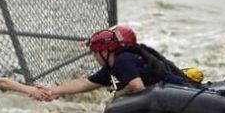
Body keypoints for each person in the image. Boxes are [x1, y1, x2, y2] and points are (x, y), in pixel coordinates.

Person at [46, 24, 201, 99]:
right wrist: (52, 91)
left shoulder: (123, 60)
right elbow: (83, 84)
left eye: (95, 53)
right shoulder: (112, 67)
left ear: (104, 52)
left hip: (179, 92)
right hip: (171, 93)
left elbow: (137, 86)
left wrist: (118, 94)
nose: (95, 57)